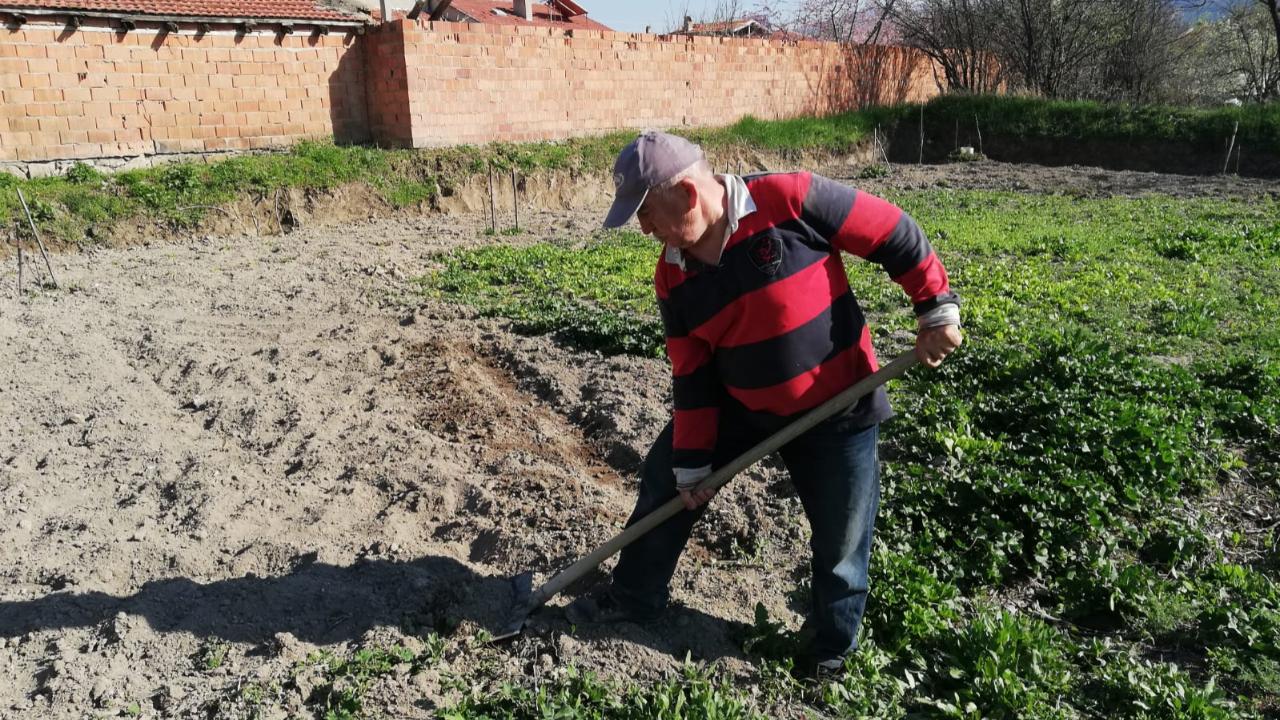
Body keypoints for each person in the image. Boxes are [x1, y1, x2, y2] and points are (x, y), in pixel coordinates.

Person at [565, 130, 963, 675]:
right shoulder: (672, 275)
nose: (644, 229)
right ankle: (634, 596)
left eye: (647, 212)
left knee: (843, 538)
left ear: (686, 194)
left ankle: (828, 653)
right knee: (665, 483)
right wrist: (693, 466)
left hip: (837, 405)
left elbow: (894, 232)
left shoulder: (790, 198)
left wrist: (935, 307)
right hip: (742, 408)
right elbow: (693, 375)